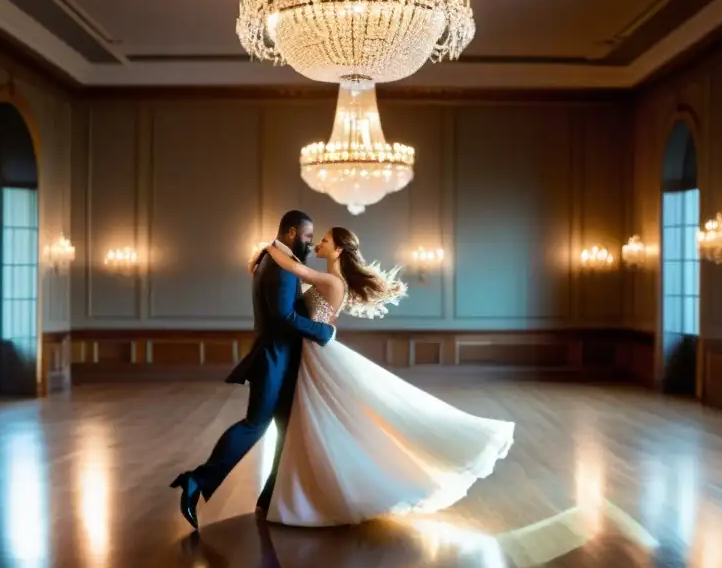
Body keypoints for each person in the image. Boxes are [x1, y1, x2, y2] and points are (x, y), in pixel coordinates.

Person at [195, 225, 515, 529]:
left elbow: (297, 273)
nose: (318, 244)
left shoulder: (331, 282)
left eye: (324, 240)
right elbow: (293, 289)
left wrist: (269, 247)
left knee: (325, 420)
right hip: (307, 352)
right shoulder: (327, 280)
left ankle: (315, 494)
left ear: (337, 250)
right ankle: (283, 496)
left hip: (314, 354)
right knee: (307, 423)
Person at [170, 210, 335, 529]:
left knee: (287, 430)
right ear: (290, 233)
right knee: (255, 425)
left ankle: (269, 498)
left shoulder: (271, 259)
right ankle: (196, 482)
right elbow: (284, 317)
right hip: (272, 358)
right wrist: (324, 333)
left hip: (281, 358)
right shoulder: (279, 267)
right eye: (306, 237)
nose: (309, 243)